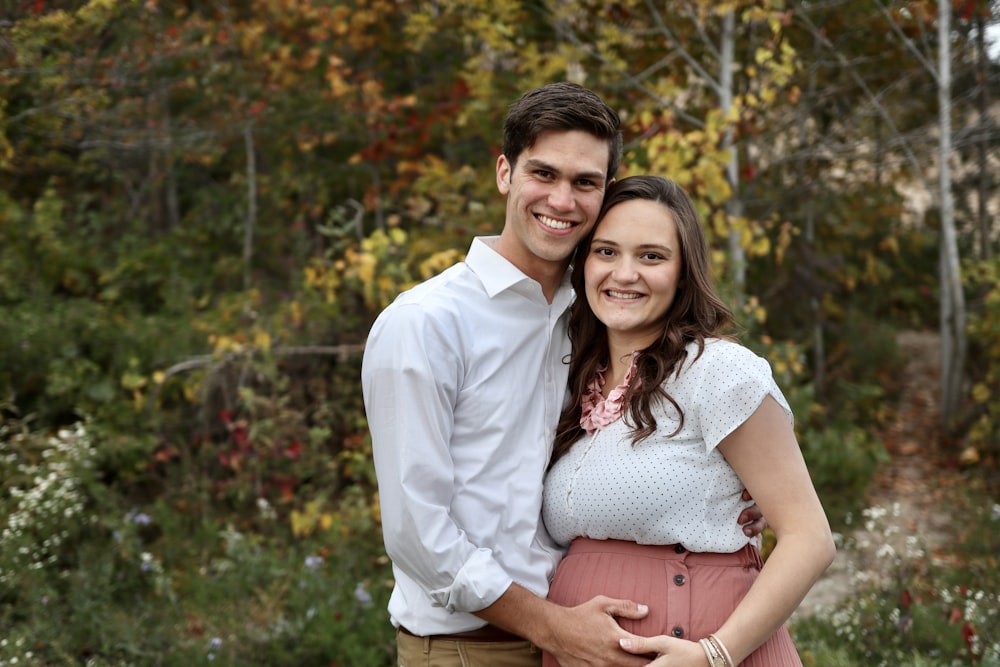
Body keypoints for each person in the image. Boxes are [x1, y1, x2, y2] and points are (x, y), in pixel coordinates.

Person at [361, 83, 766, 667]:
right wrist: (554, 629)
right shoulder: (425, 324)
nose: (562, 199)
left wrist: (741, 485)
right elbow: (416, 533)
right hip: (469, 649)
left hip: (579, 641)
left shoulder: (597, 315)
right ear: (505, 173)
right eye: (543, 173)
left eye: (585, 183)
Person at [541, 175, 836, 667]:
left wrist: (712, 655)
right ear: (583, 263)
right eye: (606, 252)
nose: (625, 273)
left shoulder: (717, 371)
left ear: (683, 272)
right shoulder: (570, 380)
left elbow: (810, 538)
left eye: (652, 256)